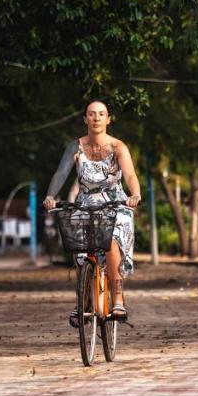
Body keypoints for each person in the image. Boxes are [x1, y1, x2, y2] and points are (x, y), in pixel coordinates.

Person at [43, 100, 142, 318]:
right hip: (85, 202)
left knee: (112, 240)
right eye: (91, 114)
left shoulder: (118, 147)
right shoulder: (75, 147)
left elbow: (130, 176)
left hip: (115, 203)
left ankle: (117, 298)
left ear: (108, 119)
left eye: (101, 114)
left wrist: (135, 195)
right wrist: (50, 196)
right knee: (78, 246)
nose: (96, 118)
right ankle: (84, 297)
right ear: (85, 119)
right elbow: (61, 174)